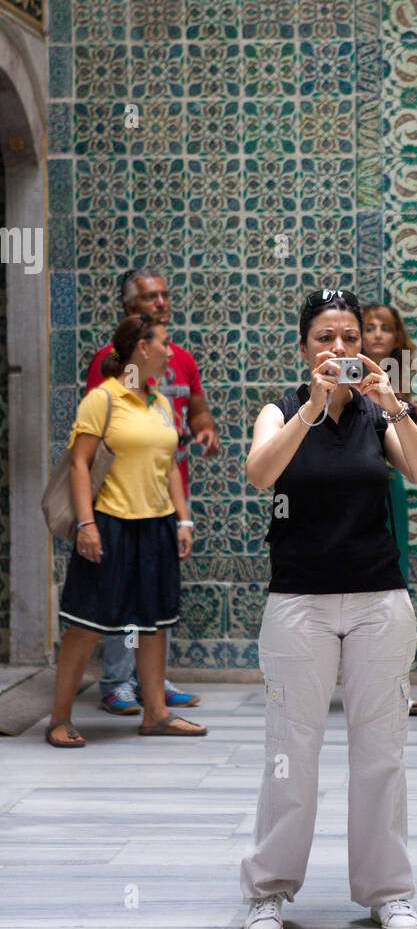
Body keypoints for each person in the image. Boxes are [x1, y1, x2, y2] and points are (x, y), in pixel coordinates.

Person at [240, 288, 417, 929]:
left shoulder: (378, 417)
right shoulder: (280, 409)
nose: (339, 349)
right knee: (290, 753)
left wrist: (393, 408)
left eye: (350, 338)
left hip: (378, 600)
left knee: (380, 751)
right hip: (299, 601)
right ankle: (269, 891)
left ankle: (389, 892)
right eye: (325, 337)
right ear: (304, 347)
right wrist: (312, 409)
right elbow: (260, 473)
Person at [46, 314, 207, 747]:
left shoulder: (157, 401)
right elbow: (79, 463)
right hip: (110, 525)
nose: (171, 351)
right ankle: (60, 718)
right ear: (142, 348)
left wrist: (183, 517)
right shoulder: (105, 399)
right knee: (86, 624)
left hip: (156, 527)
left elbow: (170, 463)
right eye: (164, 343)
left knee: (153, 623)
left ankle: (155, 713)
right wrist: (86, 524)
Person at [86, 268, 219, 715]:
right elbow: (104, 426)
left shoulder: (177, 357)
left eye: (164, 295)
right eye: (150, 297)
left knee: (156, 592)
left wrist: (205, 431)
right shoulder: (112, 363)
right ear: (129, 309)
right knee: (122, 590)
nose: (161, 302)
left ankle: (151, 682)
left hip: (169, 487)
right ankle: (117, 682)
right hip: (123, 493)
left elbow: (197, 409)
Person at [362, 301, 417, 715]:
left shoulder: (398, 381)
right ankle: (366, 680)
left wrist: (411, 417)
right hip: (354, 489)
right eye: (368, 327)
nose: (378, 334)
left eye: (386, 328)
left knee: (392, 578)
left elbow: (412, 450)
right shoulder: (341, 377)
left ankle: (392, 680)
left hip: (388, 486)